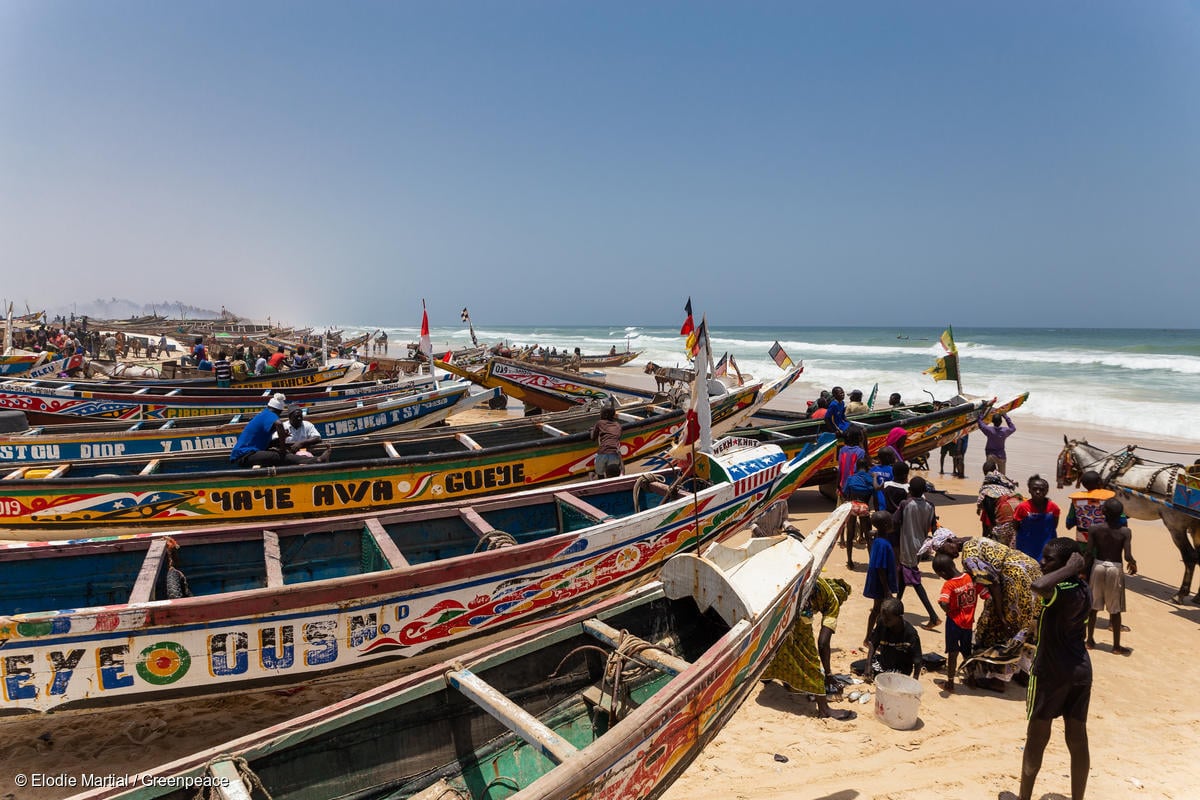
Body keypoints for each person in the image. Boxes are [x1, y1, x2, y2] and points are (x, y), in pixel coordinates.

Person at [1018, 538, 1091, 800]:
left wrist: (1070, 568)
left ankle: (1023, 798)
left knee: (1036, 739)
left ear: (1067, 564)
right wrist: (1072, 569)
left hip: (1050, 673)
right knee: (1077, 739)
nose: (1042, 562)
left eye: (1049, 559)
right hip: (1080, 670)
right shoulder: (1083, 587)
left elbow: (1037, 585)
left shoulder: (1062, 588)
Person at [930, 531, 1041, 691]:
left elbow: (994, 583)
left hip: (1016, 580)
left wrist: (1001, 616)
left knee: (1005, 627)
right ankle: (1023, 672)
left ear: (949, 540)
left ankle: (999, 678)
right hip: (1031, 571)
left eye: (942, 549)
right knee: (1026, 623)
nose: (948, 556)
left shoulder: (968, 558)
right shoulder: (973, 540)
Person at [763, 576, 855, 720]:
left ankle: (766, 679)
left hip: (782, 602)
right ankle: (824, 709)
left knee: (780, 645)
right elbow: (823, 643)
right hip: (800, 613)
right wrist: (828, 675)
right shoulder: (834, 601)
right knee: (809, 658)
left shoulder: (821, 581)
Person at [933, 550, 990, 692]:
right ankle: (971, 679)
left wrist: (949, 610)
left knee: (953, 653)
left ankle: (950, 683)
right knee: (967, 652)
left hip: (954, 623)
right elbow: (985, 595)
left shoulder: (949, 585)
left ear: (943, 573)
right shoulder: (971, 578)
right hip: (968, 623)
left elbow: (943, 602)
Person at [1086, 498, 1135, 654]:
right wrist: (1133, 562)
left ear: (1103, 512)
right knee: (1115, 609)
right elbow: (1127, 555)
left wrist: (1082, 570)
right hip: (1115, 567)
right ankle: (1116, 647)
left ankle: (1090, 641)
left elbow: (1088, 552)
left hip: (1098, 565)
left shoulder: (1094, 528)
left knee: (1093, 607)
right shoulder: (1125, 531)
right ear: (1121, 514)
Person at [892, 476, 941, 629]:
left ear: (910, 490)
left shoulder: (905, 504)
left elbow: (895, 521)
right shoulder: (930, 506)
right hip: (921, 547)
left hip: (907, 546)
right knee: (903, 574)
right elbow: (934, 527)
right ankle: (896, 605)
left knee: (914, 580)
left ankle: (933, 616)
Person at [230, 394, 303, 467]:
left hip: (249, 454)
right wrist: (283, 450)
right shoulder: (269, 414)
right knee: (282, 457)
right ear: (279, 411)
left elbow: (267, 444)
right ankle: (311, 461)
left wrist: (282, 437)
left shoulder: (264, 415)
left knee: (279, 455)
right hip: (245, 455)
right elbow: (279, 424)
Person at [863, 511, 899, 648]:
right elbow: (880, 568)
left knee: (878, 610)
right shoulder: (882, 544)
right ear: (885, 525)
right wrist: (887, 590)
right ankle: (870, 638)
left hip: (880, 582)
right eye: (890, 521)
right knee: (879, 610)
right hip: (880, 584)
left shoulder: (878, 540)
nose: (893, 523)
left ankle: (873, 637)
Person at [865, 598, 922, 681]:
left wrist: (915, 680)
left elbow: (917, 659)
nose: (884, 621)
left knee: (891, 679)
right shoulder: (882, 623)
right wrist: (868, 664)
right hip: (884, 662)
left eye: (888, 619)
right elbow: (873, 644)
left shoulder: (910, 633)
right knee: (857, 666)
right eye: (883, 617)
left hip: (901, 668)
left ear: (899, 617)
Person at [1014, 475, 1061, 561]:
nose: (1038, 492)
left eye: (1042, 489)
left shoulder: (1054, 508)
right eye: (1034, 489)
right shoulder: (1022, 507)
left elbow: (1054, 526)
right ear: (1029, 490)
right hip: (1026, 546)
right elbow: (1015, 526)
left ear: (1047, 491)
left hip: (1047, 545)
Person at [1064, 469, 1115, 544]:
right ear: (1100, 482)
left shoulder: (1077, 501)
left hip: (1083, 542)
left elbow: (1069, 523)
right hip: (1104, 542)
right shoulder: (1108, 499)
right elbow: (1120, 520)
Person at [977, 457, 1020, 541]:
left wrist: (979, 508)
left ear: (984, 472)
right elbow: (1014, 484)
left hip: (1001, 508)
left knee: (990, 529)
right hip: (1014, 502)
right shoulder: (1002, 478)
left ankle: (986, 541)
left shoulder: (987, 488)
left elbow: (983, 501)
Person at [589, 405, 623, 477]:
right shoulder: (618, 425)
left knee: (600, 474)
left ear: (605, 414)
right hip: (614, 454)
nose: (600, 414)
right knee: (613, 476)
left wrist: (592, 429)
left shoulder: (600, 423)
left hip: (602, 453)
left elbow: (593, 438)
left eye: (601, 413)